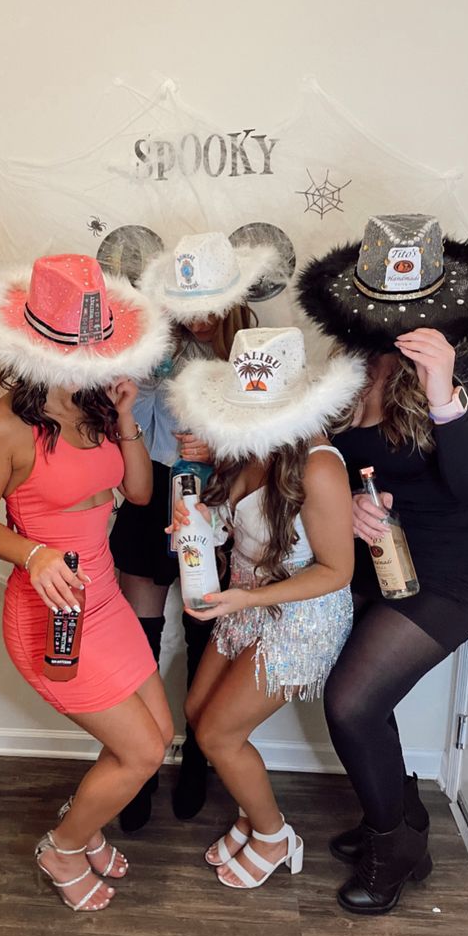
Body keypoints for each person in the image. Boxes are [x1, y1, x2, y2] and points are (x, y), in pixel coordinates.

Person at [297, 213, 468, 915]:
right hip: (379, 557)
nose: (396, 318)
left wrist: (444, 392)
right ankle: (398, 815)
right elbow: (334, 462)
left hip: (453, 566)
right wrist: (354, 512)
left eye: (411, 304)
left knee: (350, 702)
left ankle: (396, 846)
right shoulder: (351, 364)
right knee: (365, 699)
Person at [0, 253, 174, 912]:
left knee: (155, 740)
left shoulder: (101, 404)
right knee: (138, 753)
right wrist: (33, 553)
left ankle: (83, 827)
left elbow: (138, 493)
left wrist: (129, 417)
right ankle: (62, 844)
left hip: (105, 597)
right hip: (52, 611)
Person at [166, 325, 365, 889]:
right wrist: (197, 529)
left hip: (301, 617)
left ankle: (275, 836)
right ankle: (252, 815)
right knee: (200, 715)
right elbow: (236, 530)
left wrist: (247, 596)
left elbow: (337, 571)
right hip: (245, 601)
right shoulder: (245, 447)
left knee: (219, 737)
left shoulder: (320, 465)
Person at [110, 231, 279, 829]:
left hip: (224, 499)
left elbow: (277, 437)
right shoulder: (153, 339)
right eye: (189, 305)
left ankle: (199, 759)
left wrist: (222, 446)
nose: (202, 317)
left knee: (209, 633)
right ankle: (136, 761)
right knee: (140, 635)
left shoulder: (257, 347)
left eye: (213, 303)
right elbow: (123, 414)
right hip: (152, 492)